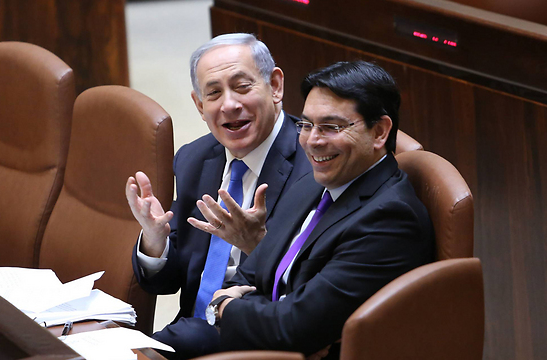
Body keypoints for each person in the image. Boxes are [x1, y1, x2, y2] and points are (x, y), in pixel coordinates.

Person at [179, 60, 435, 360]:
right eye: (306, 124)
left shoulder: (390, 219)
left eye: (331, 127)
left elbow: (292, 329)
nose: (312, 142)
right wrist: (252, 306)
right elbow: (250, 274)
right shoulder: (315, 182)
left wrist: (224, 307)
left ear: (379, 132)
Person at [125, 33, 312, 356]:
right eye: (213, 93)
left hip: (261, 338)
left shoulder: (313, 167)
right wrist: (156, 240)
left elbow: (311, 291)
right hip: (190, 334)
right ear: (199, 105)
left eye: (242, 87)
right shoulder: (194, 159)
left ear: (275, 86)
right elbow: (165, 283)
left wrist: (258, 245)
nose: (229, 105)